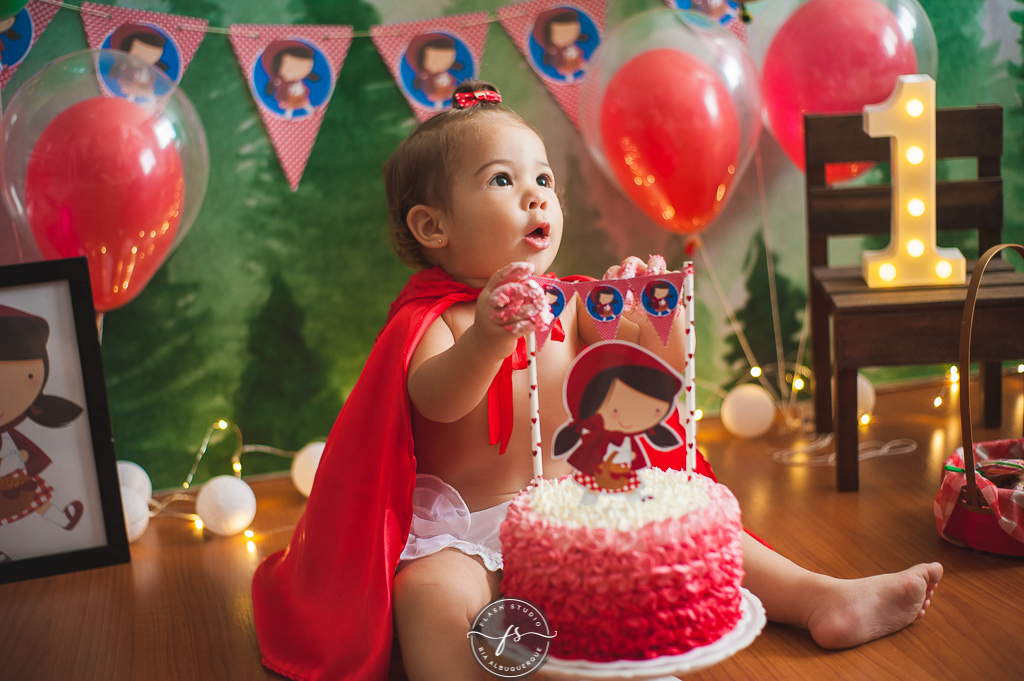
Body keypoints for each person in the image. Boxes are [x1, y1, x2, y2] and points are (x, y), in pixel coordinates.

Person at [251, 81, 942, 681]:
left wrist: (643, 315)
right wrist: (491, 334)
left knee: (698, 532)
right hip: (463, 530)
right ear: (432, 225)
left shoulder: (575, 303)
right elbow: (436, 398)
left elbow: (651, 380)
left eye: (544, 180)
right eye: (501, 180)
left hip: (571, 513)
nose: (535, 196)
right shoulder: (443, 320)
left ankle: (820, 596)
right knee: (427, 596)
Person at [0, 305, 86, 562]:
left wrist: (20, 459)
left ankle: (64, 520)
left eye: (28, 376)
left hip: (14, 480)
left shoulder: (9, 437)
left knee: (36, 499)